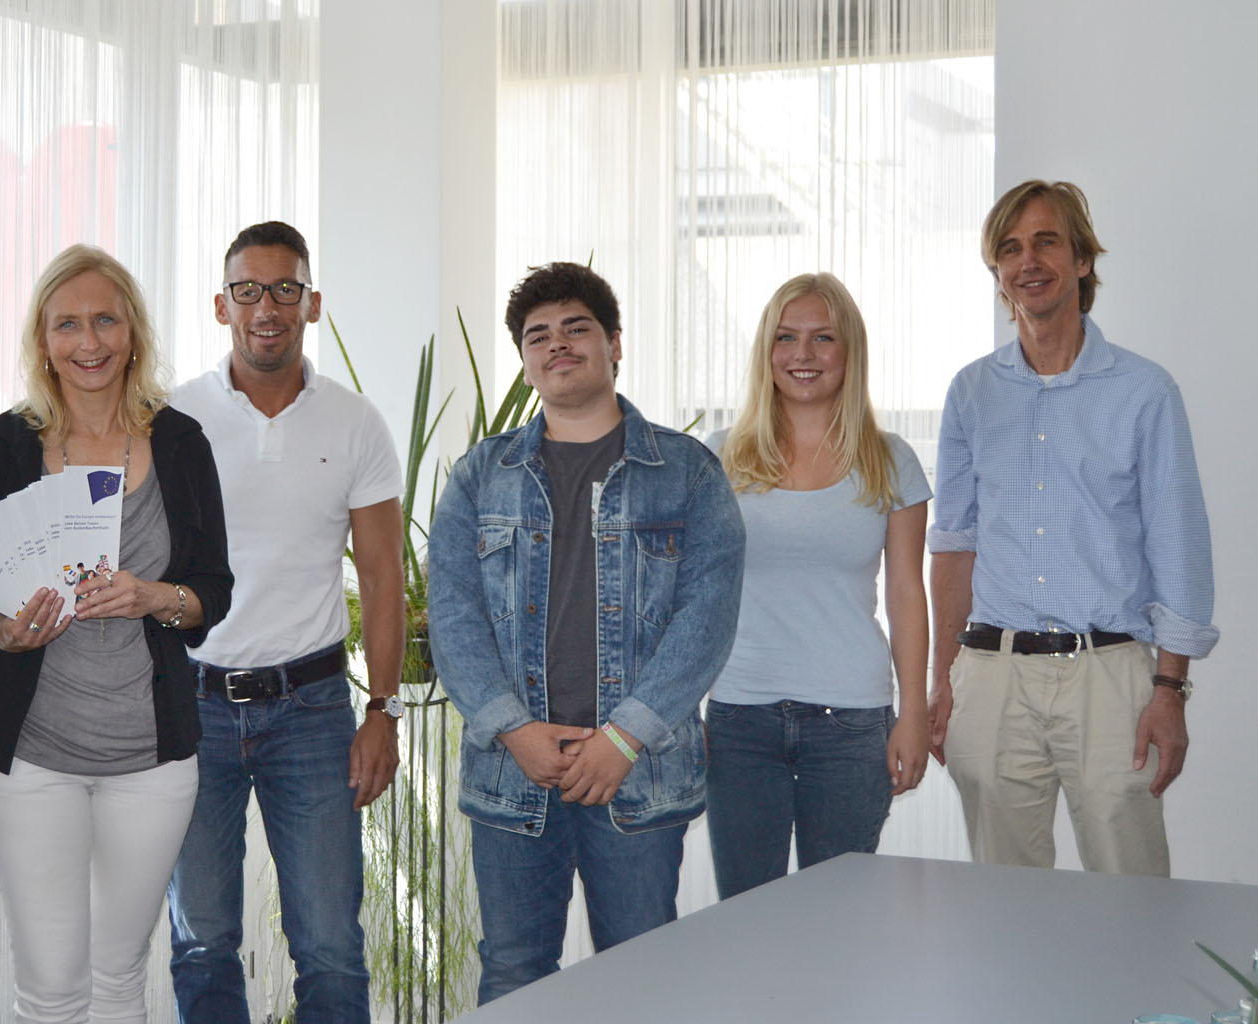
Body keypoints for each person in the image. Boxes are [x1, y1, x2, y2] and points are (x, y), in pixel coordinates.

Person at [428, 261, 745, 1004]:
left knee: (638, 981)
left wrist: (623, 739)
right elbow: (452, 615)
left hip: (635, 775)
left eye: (576, 328)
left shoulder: (688, 472)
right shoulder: (480, 475)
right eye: (538, 335)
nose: (557, 344)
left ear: (614, 344)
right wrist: (514, 731)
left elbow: (706, 620)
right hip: (513, 773)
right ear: (524, 359)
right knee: (513, 976)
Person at [0, 244, 234, 1022]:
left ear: (133, 332)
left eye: (105, 320)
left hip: (152, 761)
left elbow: (211, 592)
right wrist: (4, 628)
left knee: (119, 977)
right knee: (50, 988)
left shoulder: (180, 442)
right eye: (67, 324)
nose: (89, 342)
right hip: (31, 758)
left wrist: (154, 596)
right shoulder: (6, 444)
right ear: (42, 341)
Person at [928, 180, 1218, 875]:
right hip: (991, 675)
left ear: (1081, 260)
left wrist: (1169, 690)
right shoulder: (971, 392)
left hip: (1109, 676)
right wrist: (944, 679)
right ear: (997, 272)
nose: (1027, 261)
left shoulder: (1144, 392)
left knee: (1129, 899)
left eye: (1045, 242)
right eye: (1009, 249)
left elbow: (1178, 546)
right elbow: (954, 544)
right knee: (1005, 904)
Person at [167, 221, 405, 1024]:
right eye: (247, 290)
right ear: (220, 305)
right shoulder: (173, 417)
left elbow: (382, 576)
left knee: (330, 946)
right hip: (193, 707)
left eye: (283, 289)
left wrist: (382, 711)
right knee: (201, 941)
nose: (265, 307)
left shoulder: (355, 423)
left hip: (311, 711)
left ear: (311, 303)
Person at [702, 273, 930, 900]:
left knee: (841, 918)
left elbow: (908, 595)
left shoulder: (891, 460)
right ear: (766, 350)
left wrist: (913, 714)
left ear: (849, 351)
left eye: (822, 338)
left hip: (852, 723)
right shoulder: (718, 457)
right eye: (786, 337)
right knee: (748, 920)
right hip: (739, 719)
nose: (802, 354)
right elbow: (692, 595)